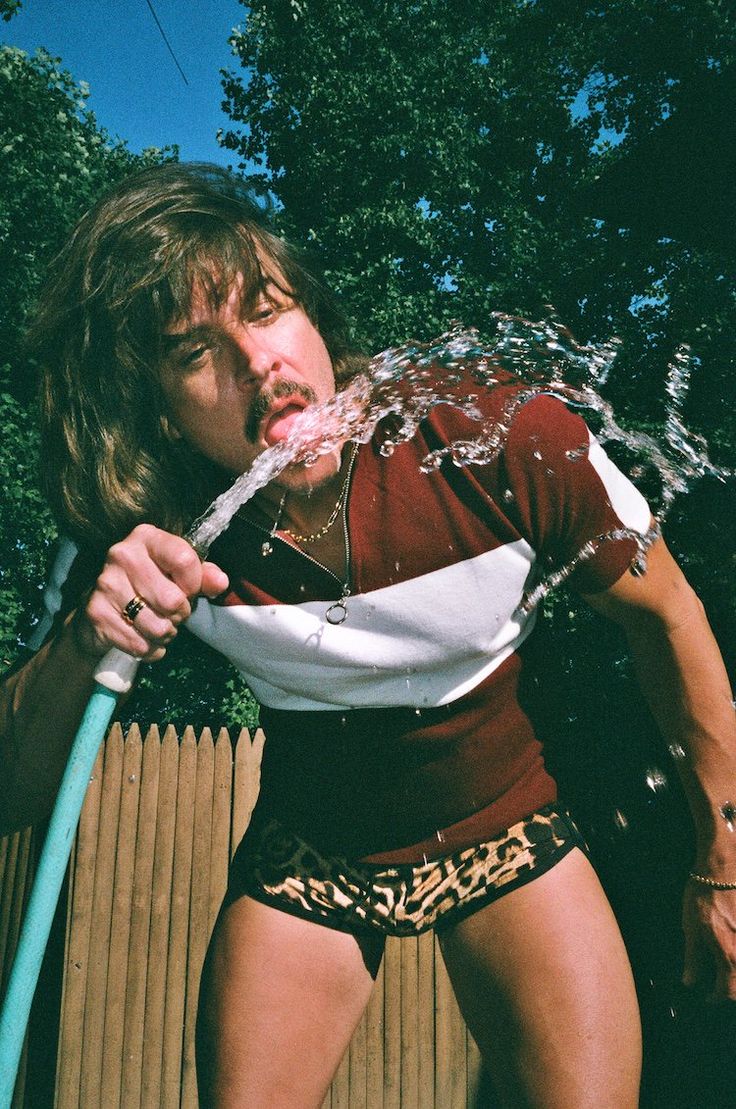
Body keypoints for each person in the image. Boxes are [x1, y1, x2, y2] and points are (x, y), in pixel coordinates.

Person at [1, 162, 735, 1109]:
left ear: (313, 319)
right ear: (162, 415)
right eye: (195, 354)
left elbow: (668, 614)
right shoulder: (149, 527)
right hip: (314, 857)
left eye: (268, 312)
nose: (258, 364)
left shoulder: (498, 437)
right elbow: (14, 785)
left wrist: (724, 859)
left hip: (511, 829)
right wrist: (80, 644)